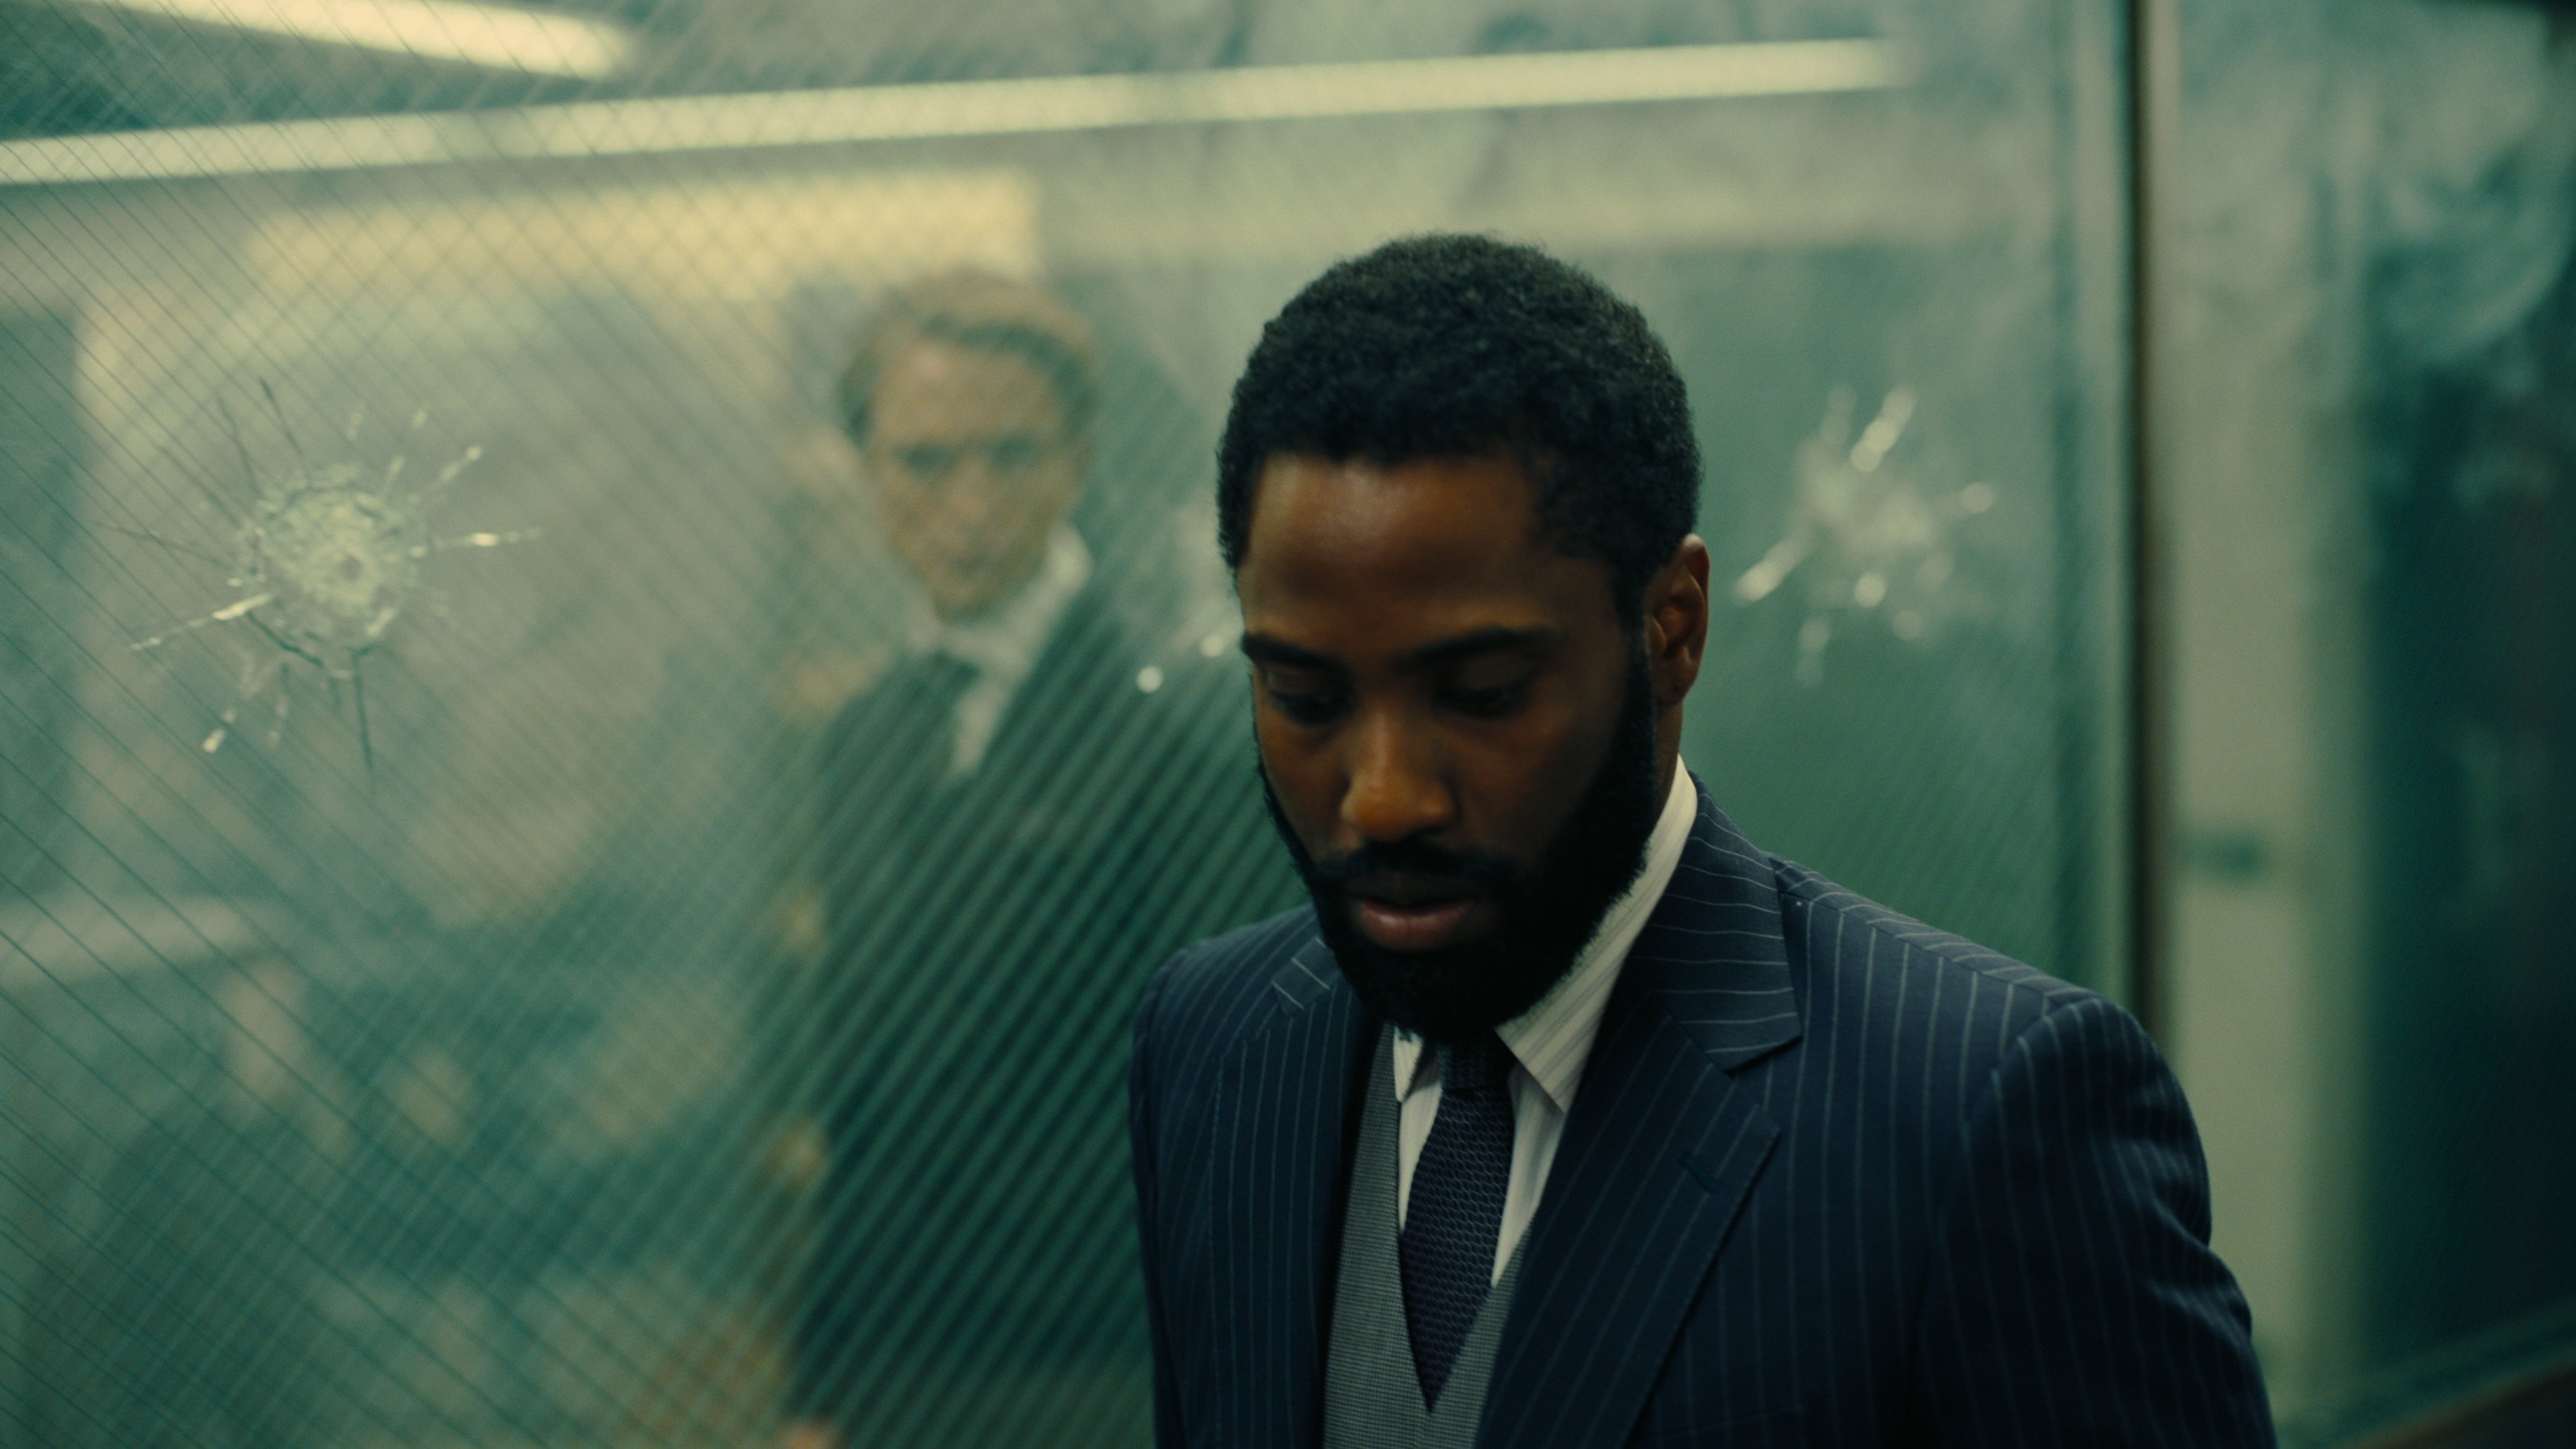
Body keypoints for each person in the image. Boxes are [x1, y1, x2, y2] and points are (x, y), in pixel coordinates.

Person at [1128, 236, 2276, 1448]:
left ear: (1671, 629)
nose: (1384, 798)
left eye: (1482, 695)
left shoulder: (1982, 1118)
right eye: (1305, 698)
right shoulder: (1213, 1045)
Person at [778, 273, 1291, 1448]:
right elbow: (863, 1096)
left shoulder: (1183, 731)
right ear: (865, 470)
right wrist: (819, 1386)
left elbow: (1240, 1113)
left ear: (1076, 464)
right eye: (925, 461)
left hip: (1101, 1366)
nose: (970, 505)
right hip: (901, 1360)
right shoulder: (862, 736)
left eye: (1010, 457)